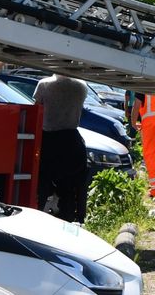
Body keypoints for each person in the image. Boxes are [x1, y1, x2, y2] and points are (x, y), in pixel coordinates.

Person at [32, 74, 89, 223]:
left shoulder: (44, 84)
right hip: (72, 141)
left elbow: (35, 111)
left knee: (42, 184)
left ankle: (36, 219)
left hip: (49, 141)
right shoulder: (81, 85)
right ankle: (71, 219)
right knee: (69, 189)